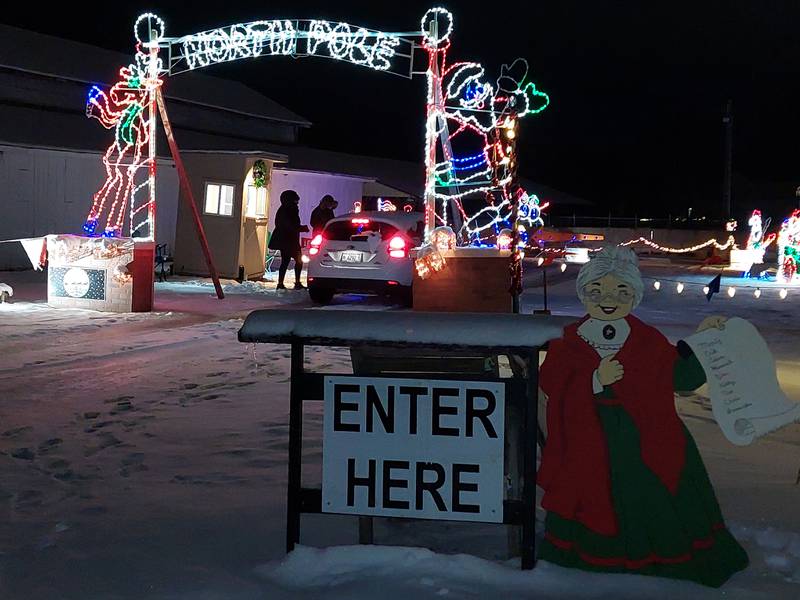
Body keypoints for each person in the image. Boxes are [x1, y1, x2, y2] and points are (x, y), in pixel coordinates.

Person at [538, 245, 748, 587]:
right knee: (594, 498)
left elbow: (682, 377)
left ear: (634, 296)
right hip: (590, 444)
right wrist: (593, 380)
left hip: (649, 441)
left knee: (651, 501)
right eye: (598, 290)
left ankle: (656, 559)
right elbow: (552, 380)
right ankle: (593, 558)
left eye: (621, 290)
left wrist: (706, 342)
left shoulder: (646, 340)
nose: (609, 298)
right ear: (584, 294)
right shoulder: (570, 341)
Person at [268, 190, 308, 290]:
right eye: (295, 200)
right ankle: (286, 283)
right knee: (294, 261)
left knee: (291, 261)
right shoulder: (287, 210)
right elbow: (288, 225)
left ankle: (284, 283)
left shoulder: (288, 209)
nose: (297, 202)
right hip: (288, 241)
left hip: (290, 240)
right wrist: (301, 228)